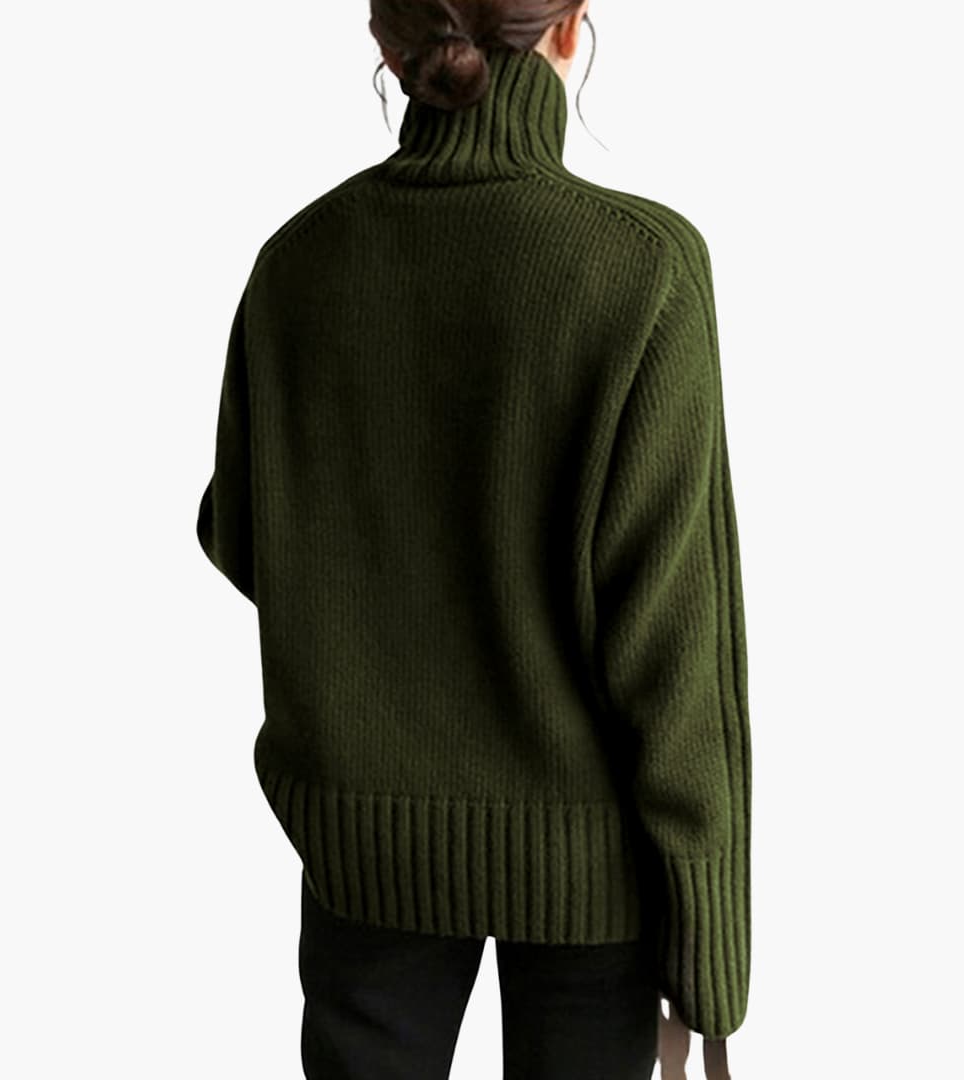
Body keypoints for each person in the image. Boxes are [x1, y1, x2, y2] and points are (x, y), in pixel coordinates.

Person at [196, 1, 752, 1077]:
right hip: (593, 875)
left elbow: (241, 532)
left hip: (362, 849)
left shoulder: (298, 263)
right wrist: (710, 955)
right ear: (570, 28)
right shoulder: (642, 268)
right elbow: (675, 650)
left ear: (385, 41)